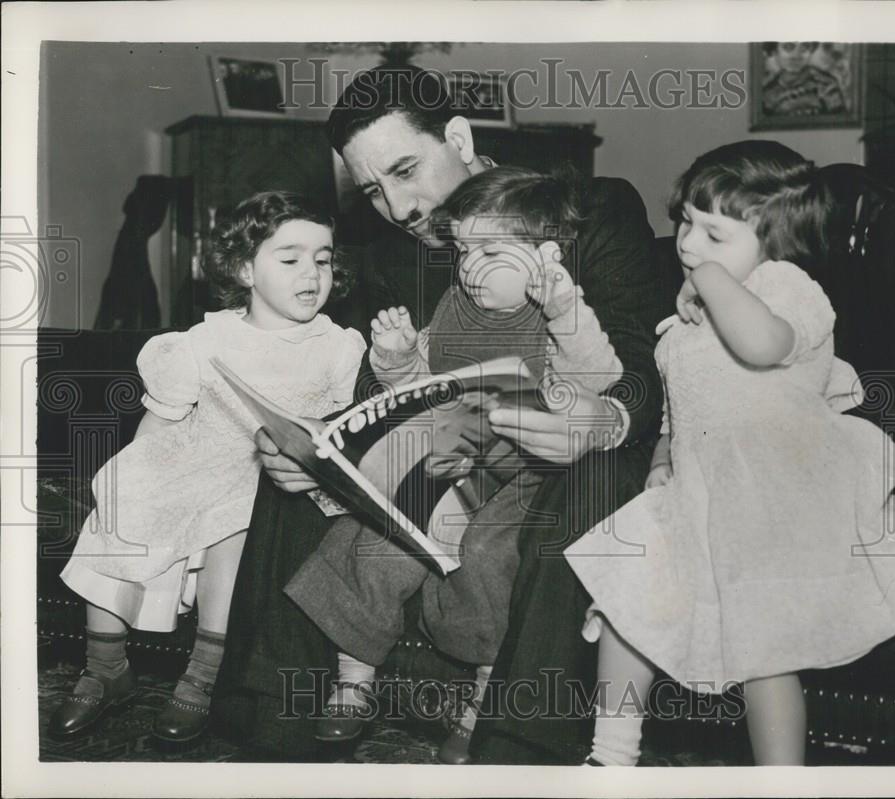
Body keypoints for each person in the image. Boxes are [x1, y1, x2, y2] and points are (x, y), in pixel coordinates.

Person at [212, 65, 667, 764]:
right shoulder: (398, 255)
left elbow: (637, 360)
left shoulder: (590, 205)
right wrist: (322, 449)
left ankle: (516, 746)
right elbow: (384, 391)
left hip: (583, 440)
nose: (397, 206)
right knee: (297, 467)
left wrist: (603, 418)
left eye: (404, 169)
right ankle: (275, 730)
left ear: (457, 136)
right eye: (372, 188)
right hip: (460, 445)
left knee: (586, 484)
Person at [564, 141, 895, 765]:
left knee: (763, 655)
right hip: (701, 494)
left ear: (774, 246)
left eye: (715, 236)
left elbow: (760, 345)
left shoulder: (790, 290)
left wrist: (715, 286)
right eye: (686, 224)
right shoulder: (689, 321)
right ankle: (610, 755)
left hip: (776, 500)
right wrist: (663, 454)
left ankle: (782, 777)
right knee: (625, 600)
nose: (690, 245)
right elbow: (679, 404)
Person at [284, 166, 624, 764]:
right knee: (376, 532)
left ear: (545, 258)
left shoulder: (561, 312)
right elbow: (428, 387)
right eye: (464, 249)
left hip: (527, 466)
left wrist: (565, 307)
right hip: (450, 445)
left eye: (490, 250)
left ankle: (482, 701)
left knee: (493, 555)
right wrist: (396, 360)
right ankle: (353, 678)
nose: (469, 266)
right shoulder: (457, 301)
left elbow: (599, 379)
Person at [49, 192, 364, 743]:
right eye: (290, 259)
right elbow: (160, 425)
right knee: (127, 492)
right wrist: (140, 473)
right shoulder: (203, 340)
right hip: (198, 456)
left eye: (324, 258)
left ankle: (202, 675)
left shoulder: (338, 347)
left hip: (272, 477)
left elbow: (344, 436)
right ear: (246, 268)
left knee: (238, 518)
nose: (312, 273)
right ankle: (105, 668)